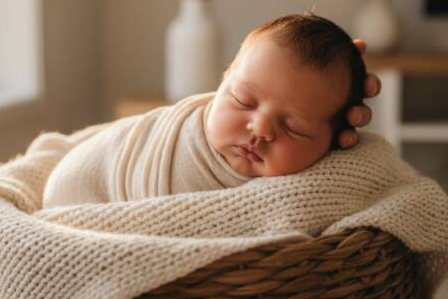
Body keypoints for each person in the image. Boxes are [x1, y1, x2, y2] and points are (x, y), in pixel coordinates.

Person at [42, 12, 381, 207]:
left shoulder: (316, 183)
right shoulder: (183, 154)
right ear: (222, 82)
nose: (260, 129)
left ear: (333, 142)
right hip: (79, 193)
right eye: (244, 102)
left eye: (294, 128)